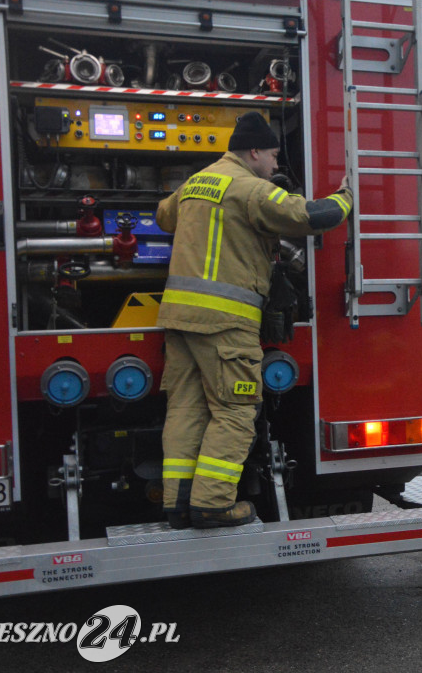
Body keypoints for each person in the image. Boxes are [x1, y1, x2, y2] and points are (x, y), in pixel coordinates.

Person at [156, 111, 351, 529]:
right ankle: (212, 504)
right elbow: (310, 217)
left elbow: (163, 216)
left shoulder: (197, 181)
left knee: (187, 408)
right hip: (225, 323)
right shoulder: (250, 188)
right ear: (255, 151)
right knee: (235, 410)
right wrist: (346, 197)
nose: (277, 165)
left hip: (177, 319)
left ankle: (179, 501)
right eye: (275, 156)